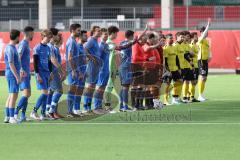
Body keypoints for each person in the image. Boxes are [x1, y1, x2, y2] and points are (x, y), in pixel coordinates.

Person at [30, 29, 53, 121]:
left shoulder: (48, 48)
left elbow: (49, 61)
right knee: (45, 93)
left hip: (47, 73)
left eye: (50, 37)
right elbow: (35, 63)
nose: (49, 39)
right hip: (40, 73)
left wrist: (51, 72)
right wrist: (37, 75)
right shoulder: (37, 48)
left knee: (46, 94)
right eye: (48, 37)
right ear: (43, 36)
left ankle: (43, 114)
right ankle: (34, 111)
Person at [14, 26, 34, 122]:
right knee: (25, 94)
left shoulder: (26, 43)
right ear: (28, 33)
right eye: (32, 33)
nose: (33, 35)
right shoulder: (23, 44)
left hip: (27, 72)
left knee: (28, 94)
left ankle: (23, 115)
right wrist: (21, 69)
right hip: (24, 73)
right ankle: (15, 114)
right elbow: (18, 56)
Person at [82, 26, 103, 115]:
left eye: (100, 31)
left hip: (96, 67)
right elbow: (84, 48)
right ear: (93, 32)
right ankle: (86, 108)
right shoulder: (90, 40)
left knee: (92, 87)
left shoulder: (96, 41)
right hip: (91, 66)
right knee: (90, 87)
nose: (99, 32)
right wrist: (90, 57)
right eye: (98, 31)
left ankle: (89, 108)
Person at [4, 29, 21, 124]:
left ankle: (7, 116)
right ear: (17, 37)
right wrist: (17, 76)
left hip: (10, 73)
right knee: (14, 95)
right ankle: (11, 117)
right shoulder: (10, 48)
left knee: (11, 95)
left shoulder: (12, 47)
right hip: (12, 74)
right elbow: (11, 63)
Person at [48, 33, 66, 119]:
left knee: (52, 92)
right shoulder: (53, 48)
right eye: (61, 38)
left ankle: (54, 112)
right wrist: (61, 72)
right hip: (53, 73)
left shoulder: (56, 49)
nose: (62, 40)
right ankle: (50, 111)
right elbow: (53, 61)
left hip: (55, 73)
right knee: (59, 91)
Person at [65, 23, 82, 117]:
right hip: (72, 70)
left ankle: (71, 111)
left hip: (75, 69)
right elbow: (70, 57)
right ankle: (69, 112)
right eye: (78, 30)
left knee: (74, 90)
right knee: (72, 90)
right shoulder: (71, 42)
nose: (79, 32)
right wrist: (73, 70)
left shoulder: (74, 41)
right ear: (73, 31)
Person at [197, 18, 211, 102]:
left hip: (205, 61)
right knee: (202, 77)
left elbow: (208, 50)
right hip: (201, 60)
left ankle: (201, 94)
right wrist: (208, 25)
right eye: (205, 31)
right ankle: (199, 95)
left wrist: (209, 56)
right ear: (201, 32)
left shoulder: (206, 41)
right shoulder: (200, 39)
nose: (207, 33)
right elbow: (204, 34)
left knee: (205, 78)